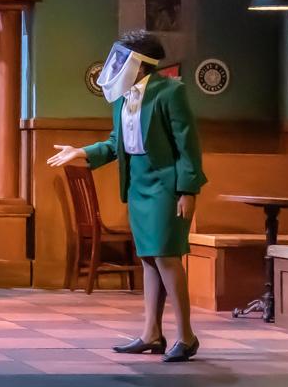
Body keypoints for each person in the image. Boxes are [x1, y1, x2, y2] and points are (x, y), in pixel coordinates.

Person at [48, 30, 206, 362]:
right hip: (138, 185)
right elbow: (115, 143)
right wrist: (81, 151)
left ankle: (187, 336)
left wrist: (188, 190)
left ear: (140, 64)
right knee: (148, 258)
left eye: (122, 60)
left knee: (167, 256)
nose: (116, 66)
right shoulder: (123, 97)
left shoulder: (170, 91)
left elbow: (187, 145)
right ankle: (152, 334)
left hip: (165, 185)